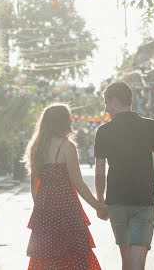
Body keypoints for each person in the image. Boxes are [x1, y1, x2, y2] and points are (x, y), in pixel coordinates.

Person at [94, 81, 154, 270]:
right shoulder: (150, 126)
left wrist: (100, 201)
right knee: (137, 263)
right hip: (143, 201)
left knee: (127, 261)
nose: (105, 108)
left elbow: (99, 170)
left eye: (106, 102)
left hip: (116, 203)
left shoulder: (103, 131)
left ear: (114, 101)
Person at [24, 103, 106, 270]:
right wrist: (98, 206)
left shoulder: (36, 148)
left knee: (46, 254)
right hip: (67, 208)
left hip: (44, 209)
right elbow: (78, 183)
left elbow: (34, 186)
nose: (71, 121)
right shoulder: (67, 147)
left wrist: (40, 207)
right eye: (69, 118)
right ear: (61, 122)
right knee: (73, 254)